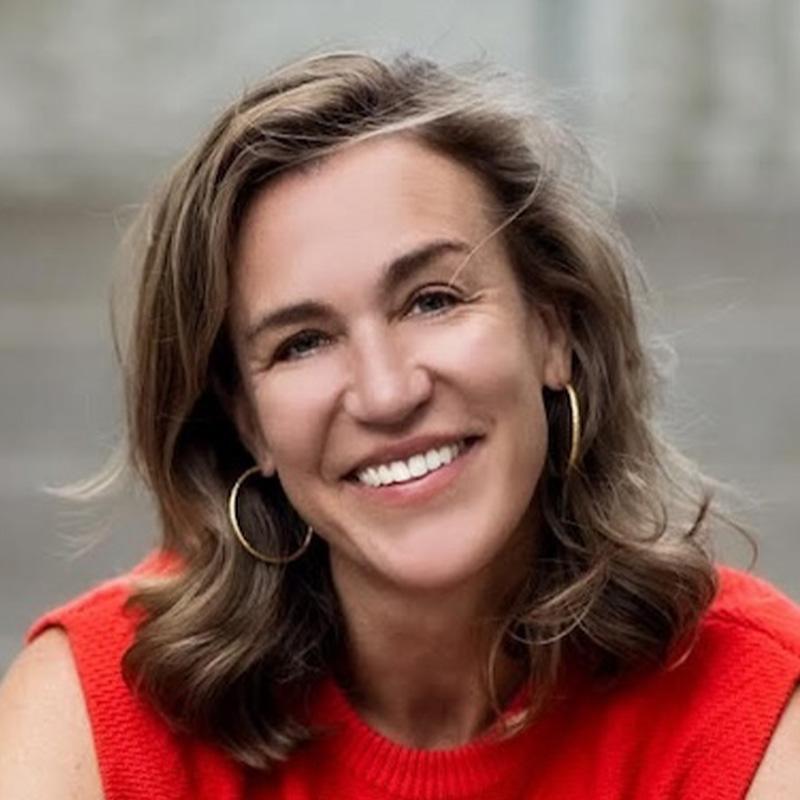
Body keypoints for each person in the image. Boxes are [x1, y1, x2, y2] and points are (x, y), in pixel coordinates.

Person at [0, 51, 798, 800]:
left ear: (552, 330)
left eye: (433, 300)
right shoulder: (98, 719)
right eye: (302, 342)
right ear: (248, 422)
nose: (385, 393)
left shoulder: (748, 706)